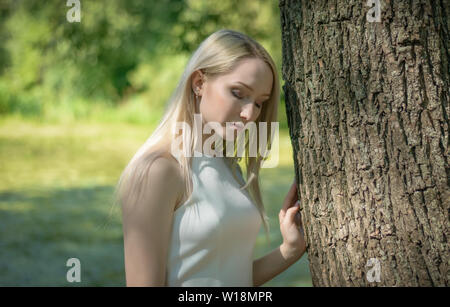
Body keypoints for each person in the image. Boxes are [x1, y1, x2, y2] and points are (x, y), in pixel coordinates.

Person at [115, 29, 306, 287]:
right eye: (239, 93)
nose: (250, 113)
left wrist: (289, 251)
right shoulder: (159, 170)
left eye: (260, 102)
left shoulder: (230, 168)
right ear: (199, 83)